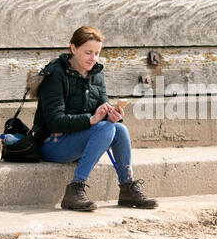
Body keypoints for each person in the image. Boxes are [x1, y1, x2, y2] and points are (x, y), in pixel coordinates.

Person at [31, 26, 158, 211]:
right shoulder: (55, 74)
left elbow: (102, 108)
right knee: (105, 128)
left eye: (97, 53)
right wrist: (91, 119)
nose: (93, 58)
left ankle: (127, 187)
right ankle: (75, 188)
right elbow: (54, 120)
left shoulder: (96, 73)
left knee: (119, 129)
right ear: (73, 48)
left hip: (79, 139)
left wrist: (112, 115)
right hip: (52, 142)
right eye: (88, 52)